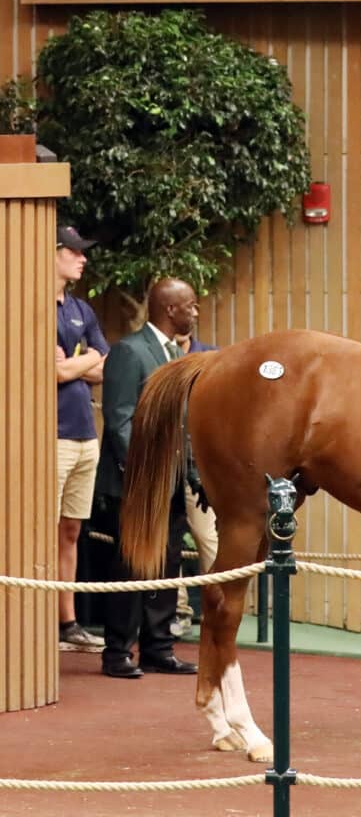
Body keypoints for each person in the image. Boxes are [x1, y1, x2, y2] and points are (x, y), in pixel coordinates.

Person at [95, 277, 201, 679]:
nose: (195, 311)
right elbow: (120, 419)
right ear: (169, 309)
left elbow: (182, 425)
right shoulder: (128, 350)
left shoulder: (174, 353)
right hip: (138, 484)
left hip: (171, 481)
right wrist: (142, 475)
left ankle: (158, 648)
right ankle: (118, 652)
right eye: (189, 304)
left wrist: (192, 474)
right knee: (131, 567)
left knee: (167, 565)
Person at [55, 224, 108, 652]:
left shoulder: (82, 310)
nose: (82, 258)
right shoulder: (35, 305)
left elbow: (103, 368)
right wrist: (83, 360)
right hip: (51, 437)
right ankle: (38, 621)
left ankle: (67, 623)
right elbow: (51, 372)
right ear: (54, 253)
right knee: (42, 529)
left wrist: (78, 359)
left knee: (71, 529)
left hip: (85, 436)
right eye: (75, 251)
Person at [171, 328, 219, 638]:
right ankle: (179, 609)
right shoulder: (159, 353)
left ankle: (219, 601)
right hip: (169, 462)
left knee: (208, 536)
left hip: (197, 464)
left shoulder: (212, 356)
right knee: (169, 540)